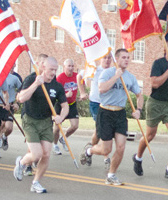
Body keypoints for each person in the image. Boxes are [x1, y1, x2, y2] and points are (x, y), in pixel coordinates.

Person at [79, 49, 143, 185]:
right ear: (117, 59)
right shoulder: (107, 73)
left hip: (120, 113)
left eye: (128, 57)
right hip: (105, 112)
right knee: (105, 149)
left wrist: (138, 110)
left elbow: (139, 95)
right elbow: (101, 88)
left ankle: (111, 175)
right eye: (123, 57)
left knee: (121, 147)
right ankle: (89, 150)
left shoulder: (130, 77)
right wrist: (116, 76)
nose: (126, 60)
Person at [133, 39, 168, 179]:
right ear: (166, 48)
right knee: (150, 135)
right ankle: (138, 157)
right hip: (155, 103)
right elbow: (155, 84)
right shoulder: (159, 63)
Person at [13, 57, 69, 193]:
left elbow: (65, 106)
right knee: (36, 154)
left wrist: (60, 117)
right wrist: (36, 85)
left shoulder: (57, 86)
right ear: (43, 67)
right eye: (51, 69)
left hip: (46, 122)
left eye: (56, 70)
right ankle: (21, 163)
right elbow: (20, 98)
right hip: (30, 120)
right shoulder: (31, 79)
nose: (53, 72)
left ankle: (36, 182)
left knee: (46, 154)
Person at [76, 54, 112, 169]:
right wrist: (82, 92)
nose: (107, 60)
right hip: (96, 103)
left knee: (99, 131)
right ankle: (105, 157)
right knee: (102, 129)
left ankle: (90, 150)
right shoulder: (94, 69)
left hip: (109, 104)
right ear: (100, 59)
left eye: (109, 58)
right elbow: (79, 76)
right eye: (105, 57)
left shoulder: (113, 71)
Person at [52, 59, 79, 155]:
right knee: (57, 127)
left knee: (75, 125)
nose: (71, 68)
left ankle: (63, 138)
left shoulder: (77, 76)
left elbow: (81, 84)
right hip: (61, 105)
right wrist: (65, 95)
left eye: (72, 66)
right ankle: (55, 145)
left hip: (71, 105)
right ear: (64, 67)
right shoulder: (60, 78)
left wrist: (83, 95)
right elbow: (56, 94)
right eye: (69, 66)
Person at [0, 72, 21, 158]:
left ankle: (4, 136)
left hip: (9, 106)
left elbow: (21, 90)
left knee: (9, 127)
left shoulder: (14, 78)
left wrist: (17, 103)